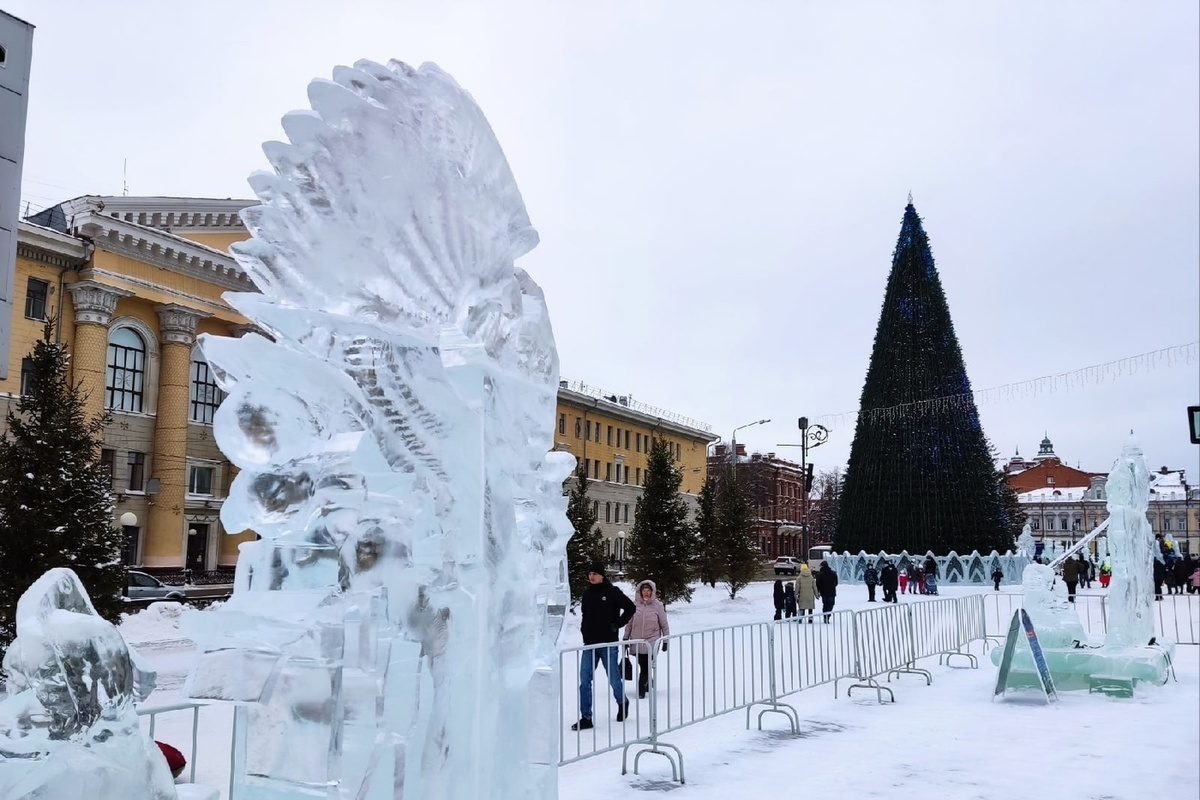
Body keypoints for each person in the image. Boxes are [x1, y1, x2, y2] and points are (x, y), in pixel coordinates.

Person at [571, 562, 636, 730]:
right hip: (589, 644)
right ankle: (586, 717)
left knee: (614, 678)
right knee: (585, 681)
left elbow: (630, 607)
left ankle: (622, 701)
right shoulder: (587, 593)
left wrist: (618, 624)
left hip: (608, 643)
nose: (591, 576)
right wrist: (584, 630)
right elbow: (585, 615)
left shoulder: (612, 592)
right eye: (589, 573)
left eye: (595, 573)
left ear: (602, 575)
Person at [623, 580, 669, 700]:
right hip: (637, 640)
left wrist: (665, 641)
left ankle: (641, 689)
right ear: (640, 592)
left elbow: (664, 624)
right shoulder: (635, 605)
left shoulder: (658, 605)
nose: (646, 593)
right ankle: (649, 682)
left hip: (652, 640)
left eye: (648, 591)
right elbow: (629, 623)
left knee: (646, 665)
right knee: (642, 663)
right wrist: (625, 638)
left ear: (652, 592)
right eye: (644, 591)